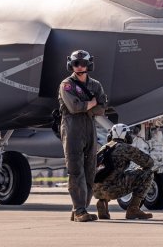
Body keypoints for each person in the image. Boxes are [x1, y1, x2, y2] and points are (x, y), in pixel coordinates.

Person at [58, 49, 108, 222]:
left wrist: (86, 106)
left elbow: (102, 108)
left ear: (89, 65)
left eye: (83, 63)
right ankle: (80, 210)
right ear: (71, 65)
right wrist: (92, 103)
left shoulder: (95, 85)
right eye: (76, 64)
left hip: (90, 128)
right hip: (72, 129)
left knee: (90, 170)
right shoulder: (67, 85)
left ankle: (80, 209)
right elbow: (74, 107)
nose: (79, 67)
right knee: (75, 170)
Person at [92, 123, 154, 220]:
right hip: (112, 190)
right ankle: (133, 209)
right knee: (148, 173)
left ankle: (102, 203)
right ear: (126, 136)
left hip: (96, 191)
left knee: (111, 176)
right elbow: (149, 163)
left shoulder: (103, 148)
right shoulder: (125, 147)